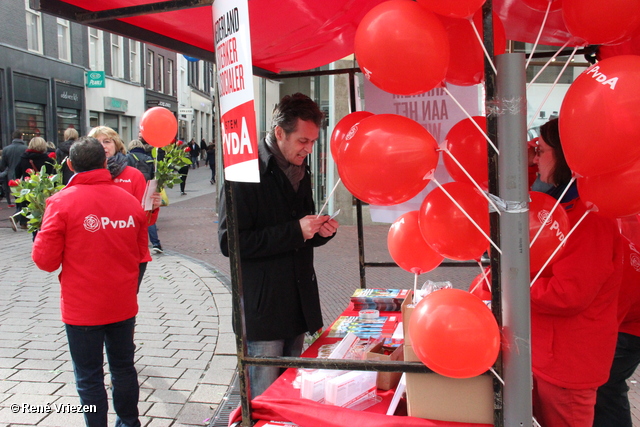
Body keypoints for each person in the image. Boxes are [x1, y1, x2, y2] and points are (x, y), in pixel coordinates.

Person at [218, 93, 339, 397]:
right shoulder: (243, 172)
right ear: (279, 132)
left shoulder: (300, 169)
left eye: (313, 141)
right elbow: (230, 243)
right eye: (303, 141)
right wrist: (296, 231)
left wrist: (322, 231)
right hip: (262, 310)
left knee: (289, 397)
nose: (309, 149)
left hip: (297, 304)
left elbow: (300, 232)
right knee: (263, 400)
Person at [31, 137, 148, 427]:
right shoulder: (130, 203)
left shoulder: (61, 203)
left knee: (88, 375)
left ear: (70, 165)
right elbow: (141, 254)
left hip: (82, 307)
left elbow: (45, 262)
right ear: (105, 162)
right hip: (121, 303)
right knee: (123, 368)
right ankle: (129, 422)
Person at [530, 118, 623, 427]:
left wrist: (509, 287)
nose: (533, 159)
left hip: (569, 364)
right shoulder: (561, 205)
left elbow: (569, 294)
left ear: (566, 157)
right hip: (549, 354)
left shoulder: (590, 217)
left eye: (540, 151)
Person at [87, 126, 158, 288]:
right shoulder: (84, 175)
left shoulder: (133, 175)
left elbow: (147, 220)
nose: (103, 146)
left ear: (117, 144)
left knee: (124, 304)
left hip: (129, 254)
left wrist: (152, 206)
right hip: (95, 254)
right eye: (98, 143)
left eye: (107, 141)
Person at [593, 228, 640, 427]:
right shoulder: (612, 241)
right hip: (628, 324)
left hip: (629, 329)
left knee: (606, 387)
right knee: (608, 389)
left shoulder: (603, 246)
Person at [127, 139, 163, 254]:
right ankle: (156, 243)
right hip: (147, 189)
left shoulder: (129, 158)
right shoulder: (148, 158)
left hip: (133, 189)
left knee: (132, 217)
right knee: (147, 215)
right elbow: (154, 174)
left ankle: (134, 243)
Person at [15, 137, 56, 229]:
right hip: (42, 186)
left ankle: (24, 222)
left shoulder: (24, 157)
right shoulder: (47, 159)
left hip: (28, 184)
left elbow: (17, 171)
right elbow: (51, 173)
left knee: (26, 202)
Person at [0, 130, 27, 207]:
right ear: (21, 137)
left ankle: (18, 208)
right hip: (23, 174)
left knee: (16, 194)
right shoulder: (25, 148)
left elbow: (2, 165)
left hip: (11, 174)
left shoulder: (6, 149)